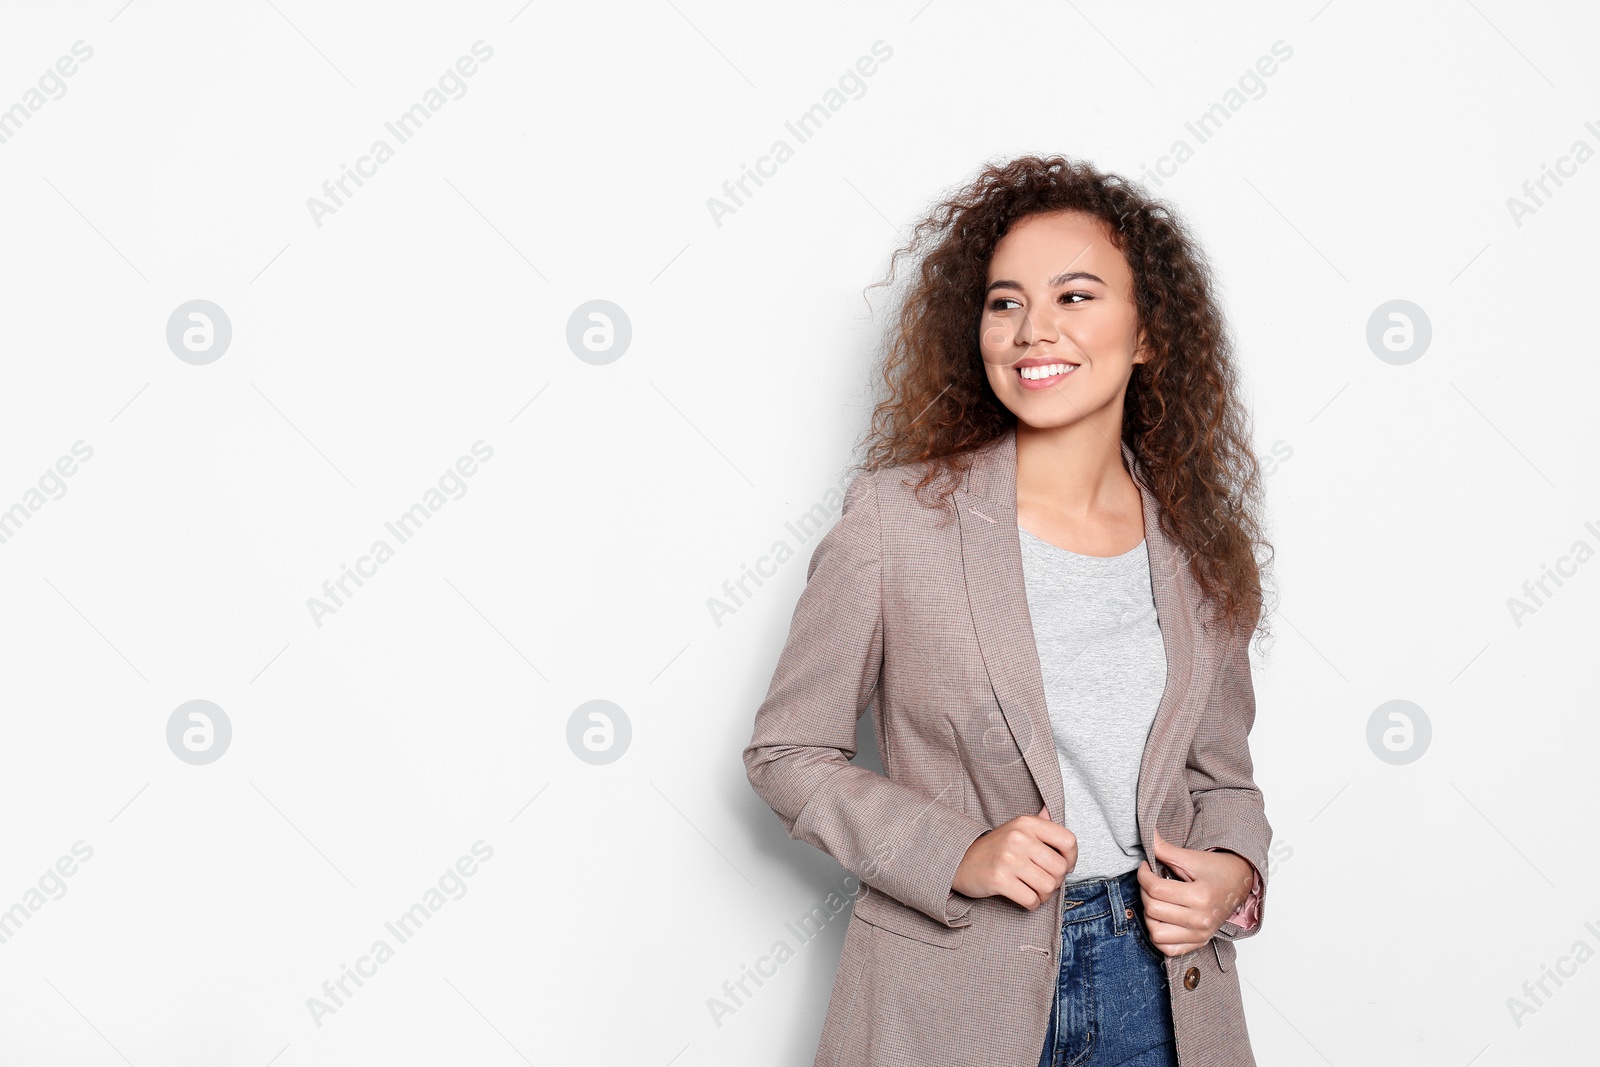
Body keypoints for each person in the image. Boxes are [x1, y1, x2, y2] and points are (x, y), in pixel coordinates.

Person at [743, 154, 1274, 1067]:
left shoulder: (1193, 545)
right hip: (951, 994)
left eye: (1075, 297)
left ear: (1149, 334)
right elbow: (788, 752)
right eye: (1004, 301)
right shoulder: (896, 520)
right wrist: (954, 851)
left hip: (1162, 991)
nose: (1033, 330)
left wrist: (1233, 874)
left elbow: (1221, 776)